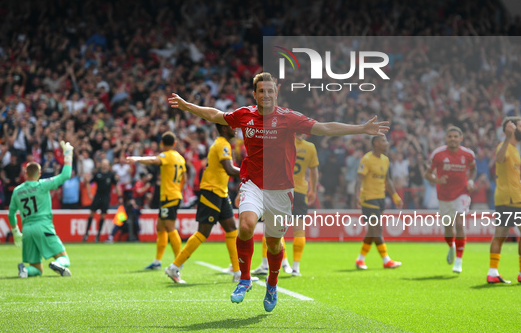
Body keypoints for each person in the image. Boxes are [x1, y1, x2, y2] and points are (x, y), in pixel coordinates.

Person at [168, 72, 389, 312]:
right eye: (262, 91)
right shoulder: (245, 115)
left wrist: (361, 128)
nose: (266, 95)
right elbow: (215, 115)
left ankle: (272, 285)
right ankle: (244, 279)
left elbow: (324, 128)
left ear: (276, 92)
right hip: (253, 183)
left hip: (282, 191)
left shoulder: (289, 118)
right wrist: (187, 106)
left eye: (270, 90)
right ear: (255, 94)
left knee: (273, 244)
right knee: (245, 226)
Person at [166, 124, 241, 283]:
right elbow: (229, 169)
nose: (236, 128)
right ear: (225, 128)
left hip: (221, 192)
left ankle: (237, 273)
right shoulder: (222, 144)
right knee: (203, 232)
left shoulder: (223, 144)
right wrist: (252, 172)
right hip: (211, 191)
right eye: (232, 126)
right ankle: (174, 267)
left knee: (231, 229)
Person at [251, 133, 319, 277]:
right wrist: (313, 189)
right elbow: (313, 170)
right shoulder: (310, 147)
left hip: (282, 189)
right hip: (300, 190)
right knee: (299, 230)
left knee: (271, 225)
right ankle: (295, 268)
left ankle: (265, 264)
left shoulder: (281, 143)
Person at [487, 117, 521, 284]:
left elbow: (507, 174)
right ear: (511, 129)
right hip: (512, 199)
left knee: (501, 235)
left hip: (504, 196)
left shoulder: (514, 149)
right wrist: (506, 137)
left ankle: (492, 272)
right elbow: (498, 158)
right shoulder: (505, 146)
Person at [8, 141, 74, 278]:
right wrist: (68, 154)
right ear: (39, 173)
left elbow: (11, 214)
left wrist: (15, 232)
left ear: (26, 173)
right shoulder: (42, 185)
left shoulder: (17, 191)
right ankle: (58, 264)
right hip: (43, 226)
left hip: (26, 230)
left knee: (36, 269)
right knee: (64, 257)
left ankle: (25, 270)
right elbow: (65, 175)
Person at [127, 132, 186, 270]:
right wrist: (178, 190)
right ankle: (157, 262)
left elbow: (154, 160)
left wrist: (136, 159)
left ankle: (179, 260)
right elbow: (184, 176)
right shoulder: (180, 158)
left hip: (169, 197)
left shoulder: (167, 155)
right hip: (173, 195)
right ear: (175, 143)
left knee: (170, 227)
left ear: (162, 144)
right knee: (160, 227)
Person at [424, 126, 476, 273]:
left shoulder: (468, 154)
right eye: (450, 136)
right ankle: (452, 246)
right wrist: (438, 180)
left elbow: (473, 169)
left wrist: (471, 181)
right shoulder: (438, 154)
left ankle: (459, 261)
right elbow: (427, 174)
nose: (452, 139)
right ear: (446, 139)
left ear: (461, 138)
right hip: (444, 196)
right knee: (448, 228)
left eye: (455, 136)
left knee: (459, 223)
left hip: (462, 193)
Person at [354, 136, 403, 270]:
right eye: (384, 141)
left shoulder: (385, 160)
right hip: (369, 198)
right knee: (378, 230)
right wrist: (356, 196)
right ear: (376, 143)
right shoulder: (367, 159)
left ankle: (360, 260)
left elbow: (388, 180)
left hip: (380, 198)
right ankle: (386, 260)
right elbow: (359, 179)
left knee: (371, 231)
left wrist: (395, 197)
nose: (387, 143)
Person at [83, 159, 119, 242]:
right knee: (92, 214)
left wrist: (119, 196)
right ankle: (86, 233)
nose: (105, 165)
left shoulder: (111, 175)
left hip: (106, 197)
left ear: (108, 165)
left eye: (106, 164)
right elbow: (90, 183)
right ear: (101, 165)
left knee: (103, 216)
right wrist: (89, 193)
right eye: (104, 164)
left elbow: (116, 185)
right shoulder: (97, 174)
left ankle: (98, 235)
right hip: (97, 196)